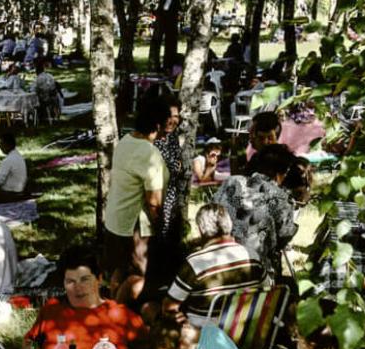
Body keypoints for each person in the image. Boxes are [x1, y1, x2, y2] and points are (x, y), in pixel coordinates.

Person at [25, 245, 146, 349]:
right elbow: (28, 341)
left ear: (99, 279)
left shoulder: (121, 316)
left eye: (85, 279)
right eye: (70, 281)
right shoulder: (52, 310)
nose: (78, 288)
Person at [102, 95, 169, 291]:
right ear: (156, 126)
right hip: (134, 226)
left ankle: (110, 305)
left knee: (118, 272)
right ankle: (120, 314)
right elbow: (154, 202)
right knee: (137, 277)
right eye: (165, 126)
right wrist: (161, 228)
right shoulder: (150, 154)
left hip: (114, 219)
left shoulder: (125, 140)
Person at [161, 204, 265, 328]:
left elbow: (169, 307)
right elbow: (266, 290)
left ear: (200, 229)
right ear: (229, 225)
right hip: (244, 335)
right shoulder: (252, 256)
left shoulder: (196, 263)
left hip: (203, 338)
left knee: (151, 310)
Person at [211, 144, 299, 277]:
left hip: (217, 263)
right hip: (255, 273)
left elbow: (211, 210)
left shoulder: (231, 181)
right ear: (282, 172)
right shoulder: (280, 197)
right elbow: (284, 236)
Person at [142, 95, 189, 300]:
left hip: (172, 197)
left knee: (171, 242)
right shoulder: (153, 140)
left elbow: (178, 164)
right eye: (168, 116)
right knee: (157, 245)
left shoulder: (171, 137)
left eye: (176, 116)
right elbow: (170, 166)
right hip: (158, 199)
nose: (172, 120)